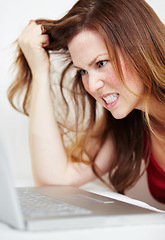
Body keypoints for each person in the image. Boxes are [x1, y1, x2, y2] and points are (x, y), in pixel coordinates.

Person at [7, 0, 165, 205]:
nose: (92, 85)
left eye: (101, 63)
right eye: (83, 71)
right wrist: (39, 73)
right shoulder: (133, 122)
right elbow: (54, 180)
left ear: (140, 48)